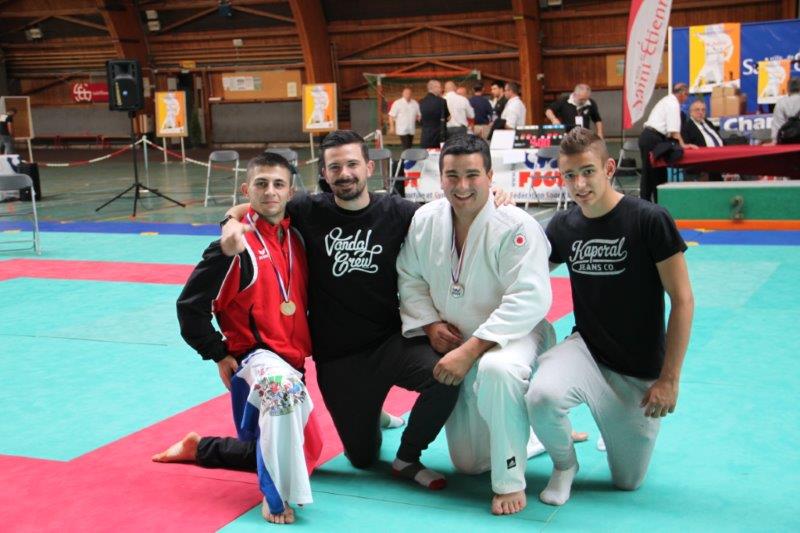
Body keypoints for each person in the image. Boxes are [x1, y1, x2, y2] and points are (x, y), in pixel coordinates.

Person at [217, 130, 461, 491]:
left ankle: (408, 456)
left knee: (446, 376)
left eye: (352, 164)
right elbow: (254, 205)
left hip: (390, 343)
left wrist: (498, 199)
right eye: (335, 167)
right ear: (324, 173)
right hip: (339, 360)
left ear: (369, 167)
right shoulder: (308, 210)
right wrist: (229, 222)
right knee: (362, 459)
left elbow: (451, 212)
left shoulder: (397, 211)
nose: (344, 173)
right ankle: (372, 411)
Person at [527, 127, 694, 507]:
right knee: (541, 395)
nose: (579, 184)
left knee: (627, 482)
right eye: (569, 175)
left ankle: (614, 425)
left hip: (638, 371)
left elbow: (683, 300)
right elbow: (526, 272)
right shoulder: (564, 226)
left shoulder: (649, 219)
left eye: (588, 171)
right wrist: (501, 212)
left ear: (609, 168)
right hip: (586, 351)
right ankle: (564, 464)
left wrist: (669, 379)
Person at [396, 135, 555, 516]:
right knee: (469, 463)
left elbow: (529, 297)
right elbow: (410, 277)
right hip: (456, 341)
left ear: (490, 175)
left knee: (498, 371)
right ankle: (531, 431)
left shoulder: (515, 225)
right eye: (452, 176)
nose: (462, 186)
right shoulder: (425, 219)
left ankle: (510, 480)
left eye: (472, 175)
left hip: (514, 336)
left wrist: (471, 350)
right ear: (440, 178)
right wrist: (430, 324)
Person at [174, 153, 323, 524]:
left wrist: (231, 215)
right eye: (261, 184)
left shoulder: (297, 236)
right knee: (283, 393)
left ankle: (203, 448)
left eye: (278, 184)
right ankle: (275, 497)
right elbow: (189, 306)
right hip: (254, 360)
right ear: (246, 190)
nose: (270, 191)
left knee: (307, 455)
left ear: (291, 192)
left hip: (293, 360)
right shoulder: (233, 245)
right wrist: (217, 353)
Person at [638, 83, 698, 202]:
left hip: (651, 137)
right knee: (651, 175)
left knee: (655, 174)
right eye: (687, 95)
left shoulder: (667, 101)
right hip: (652, 138)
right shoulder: (673, 103)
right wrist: (683, 145)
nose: (686, 98)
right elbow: (674, 132)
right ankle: (649, 204)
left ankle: (654, 204)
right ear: (682, 93)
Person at [681, 99, 723, 181]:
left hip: (720, 159)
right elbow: (686, 148)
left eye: (703, 110)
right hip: (703, 163)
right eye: (697, 110)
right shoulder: (687, 128)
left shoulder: (708, 123)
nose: (701, 112)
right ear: (691, 112)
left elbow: (718, 139)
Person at [388, 87, 421, 151]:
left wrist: (420, 119)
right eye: (406, 93)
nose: (408, 95)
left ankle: (407, 156)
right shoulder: (397, 103)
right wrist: (392, 127)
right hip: (402, 129)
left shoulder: (415, 103)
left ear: (411, 94)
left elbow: (419, 114)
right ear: (403, 94)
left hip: (411, 129)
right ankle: (406, 156)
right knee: (406, 146)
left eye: (409, 93)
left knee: (409, 146)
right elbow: (391, 115)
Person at [419, 79, 449, 148]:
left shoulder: (421, 102)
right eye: (439, 87)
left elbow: (419, 119)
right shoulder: (442, 101)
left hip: (425, 136)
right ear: (434, 87)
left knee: (426, 154)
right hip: (439, 137)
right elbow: (448, 117)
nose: (441, 89)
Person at [771, 77, 800, 143]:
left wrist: (774, 140)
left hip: (787, 139)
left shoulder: (781, 102)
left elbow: (777, 124)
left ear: (788, 89)